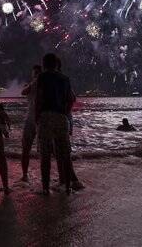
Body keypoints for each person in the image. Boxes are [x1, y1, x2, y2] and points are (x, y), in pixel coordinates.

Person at [35, 53, 73, 195]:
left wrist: (36, 117)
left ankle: (45, 188)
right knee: (65, 153)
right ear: (56, 64)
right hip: (61, 117)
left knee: (45, 155)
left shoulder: (42, 77)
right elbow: (70, 99)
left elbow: (39, 98)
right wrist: (65, 112)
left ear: (44, 64)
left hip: (46, 116)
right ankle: (68, 186)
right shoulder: (65, 79)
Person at [55, 58, 84, 191]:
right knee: (60, 151)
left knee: (63, 151)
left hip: (62, 119)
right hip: (65, 118)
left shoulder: (61, 80)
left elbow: (72, 99)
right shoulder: (61, 80)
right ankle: (64, 179)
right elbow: (72, 99)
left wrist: (64, 113)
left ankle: (73, 179)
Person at [20, 65, 42, 182]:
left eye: (38, 73)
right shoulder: (32, 84)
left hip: (41, 119)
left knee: (43, 149)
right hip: (30, 118)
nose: (37, 75)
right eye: (35, 73)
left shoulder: (44, 85)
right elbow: (24, 92)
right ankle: (24, 175)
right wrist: (34, 82)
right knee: (25, 147)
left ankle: (43, 176)